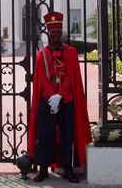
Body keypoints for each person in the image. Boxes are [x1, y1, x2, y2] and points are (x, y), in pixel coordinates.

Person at [28, 11, 91, 183]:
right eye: (52, 32)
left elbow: (72, 78)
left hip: (67, 101)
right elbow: (41, 79)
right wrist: (51, 97)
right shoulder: (42, 54)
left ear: (61, 33)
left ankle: (68, 168)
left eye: (58, 32)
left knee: (67, 135)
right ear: (48, 33)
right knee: (45, 135)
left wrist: (60, 95)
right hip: (47, 102)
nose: (55, 35)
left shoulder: (71, 52)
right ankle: (43, 169)